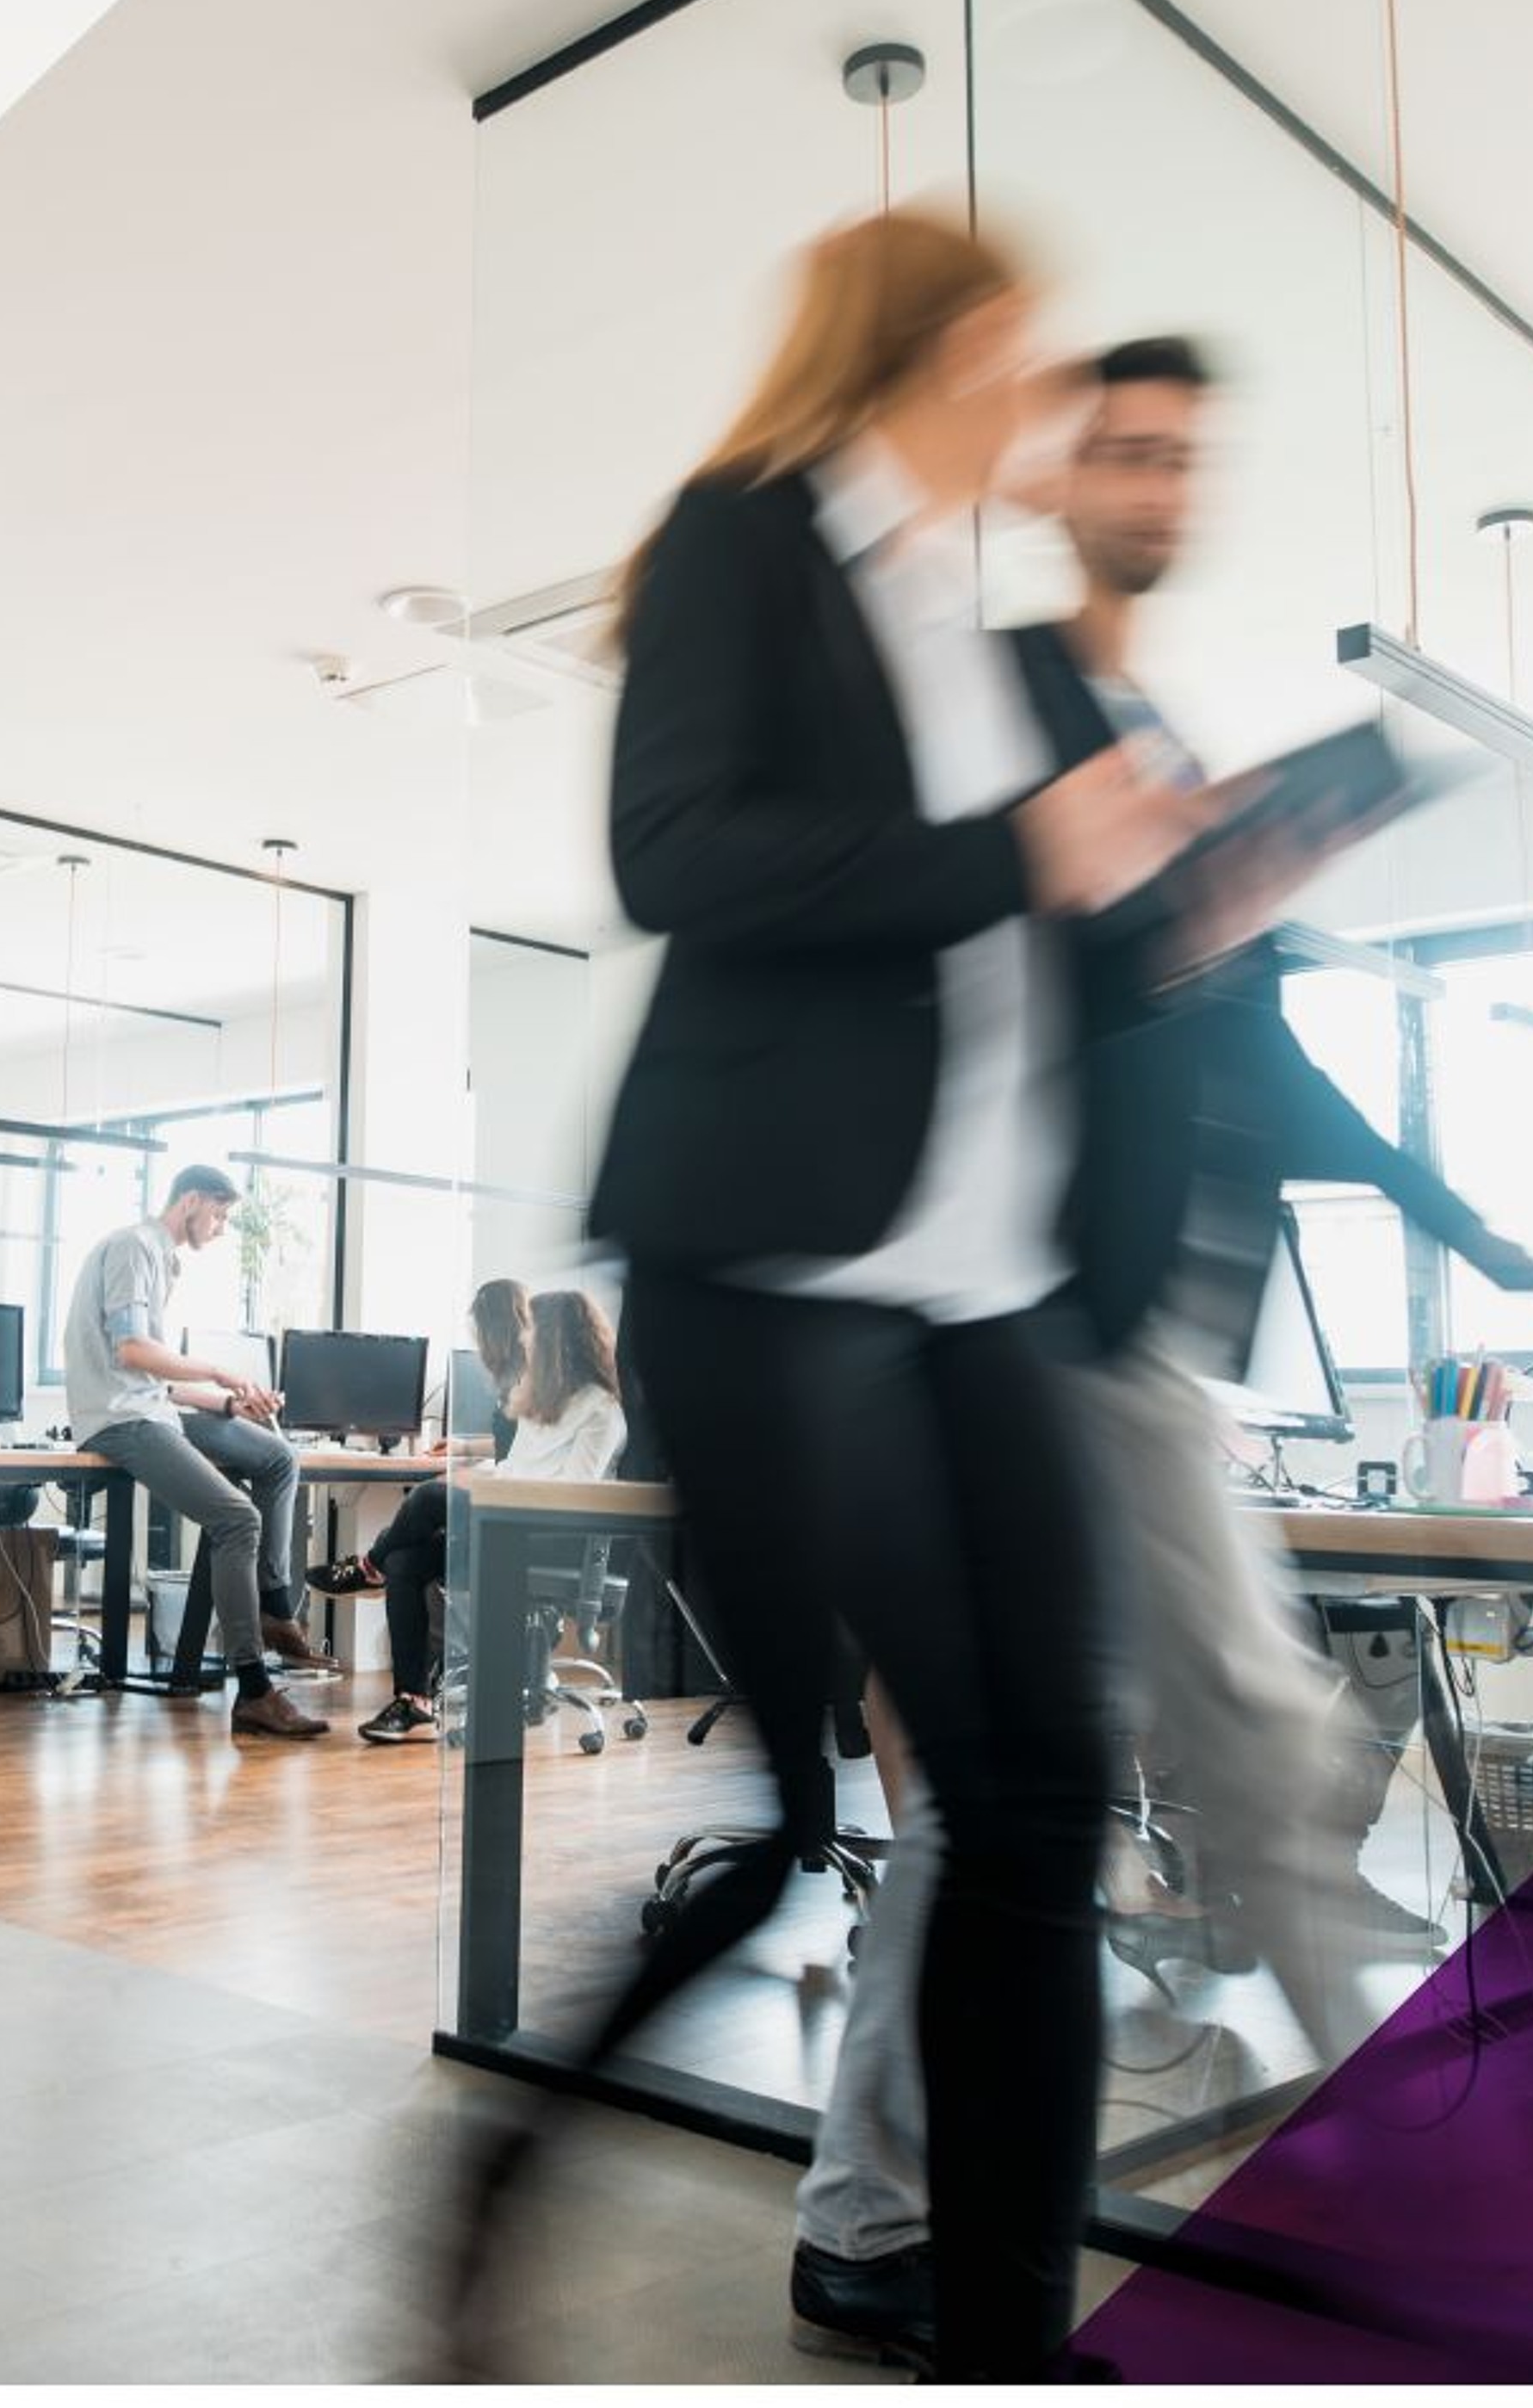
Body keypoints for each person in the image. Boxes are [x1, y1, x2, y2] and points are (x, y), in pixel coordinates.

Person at [442, 208, 1221, 2386]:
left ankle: (1005, 2338)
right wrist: (1022, 851)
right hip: (779, 1270)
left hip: (984, 1295)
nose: (1046, 399)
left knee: (1039, 1805)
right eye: (1024, 353)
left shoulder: (969, 630)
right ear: (941, 349)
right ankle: (506, 2164)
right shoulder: (746, 540)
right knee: (809, 1816)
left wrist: (1175, 898)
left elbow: (1017, 953)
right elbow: (674, 854)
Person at [786, 335, 1533, 2365]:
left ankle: (872, 2205)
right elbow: (986, 980)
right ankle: (1410, 2202)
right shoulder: (1019, 700)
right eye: (1123, 450)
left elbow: (1281, 1071)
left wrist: (1474, 1231)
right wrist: (1186, 898)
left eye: (1180, 457)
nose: (1156, 484)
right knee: (1243, 1737)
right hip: (1047, 1318)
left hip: (1131, 1333)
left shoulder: (1147, 732)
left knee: (1040, 1788)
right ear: (1059, 480)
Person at [59, 1166, 333, 1739]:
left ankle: (274, 1607)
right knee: (237, 1519)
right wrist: (217, 1371)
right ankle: (254, 1690)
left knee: (279, 1458)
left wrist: (229, 1403)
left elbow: (154, 1380)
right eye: (220, 1214)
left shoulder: (161, 1260)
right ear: (190, 1202)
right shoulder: (135, 1247)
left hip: (150, 1408)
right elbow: (132, 1352)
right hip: (118, 1420)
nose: (222, 1227)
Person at [352, 1286, 626, 1746]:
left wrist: (480, 1488)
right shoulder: (543, 1401)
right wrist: (478, 1475)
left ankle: (366, 1567)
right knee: (406, 1562)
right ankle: (415, 1703)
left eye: (532, 1331)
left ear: (557, 1340)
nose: (524, 1340)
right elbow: (516, 1469)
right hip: (506, 1526)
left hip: (551, 1539)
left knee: (428, 1497)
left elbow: (571, 1496)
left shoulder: (602, 1410)